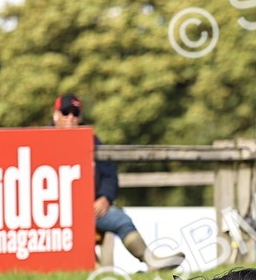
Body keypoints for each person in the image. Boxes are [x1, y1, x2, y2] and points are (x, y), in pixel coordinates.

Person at [51, 93, 181, 270]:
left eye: (75, 113)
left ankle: (151, 261)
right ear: (56, 115)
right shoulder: (41, 140)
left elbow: (109, 174)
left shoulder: (94, 142)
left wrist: (104, 197)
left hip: (91, 210)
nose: (71, 118)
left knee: (120, 219)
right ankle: (93, 270)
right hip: (53, 214)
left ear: (80, 117)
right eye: (66, 112)